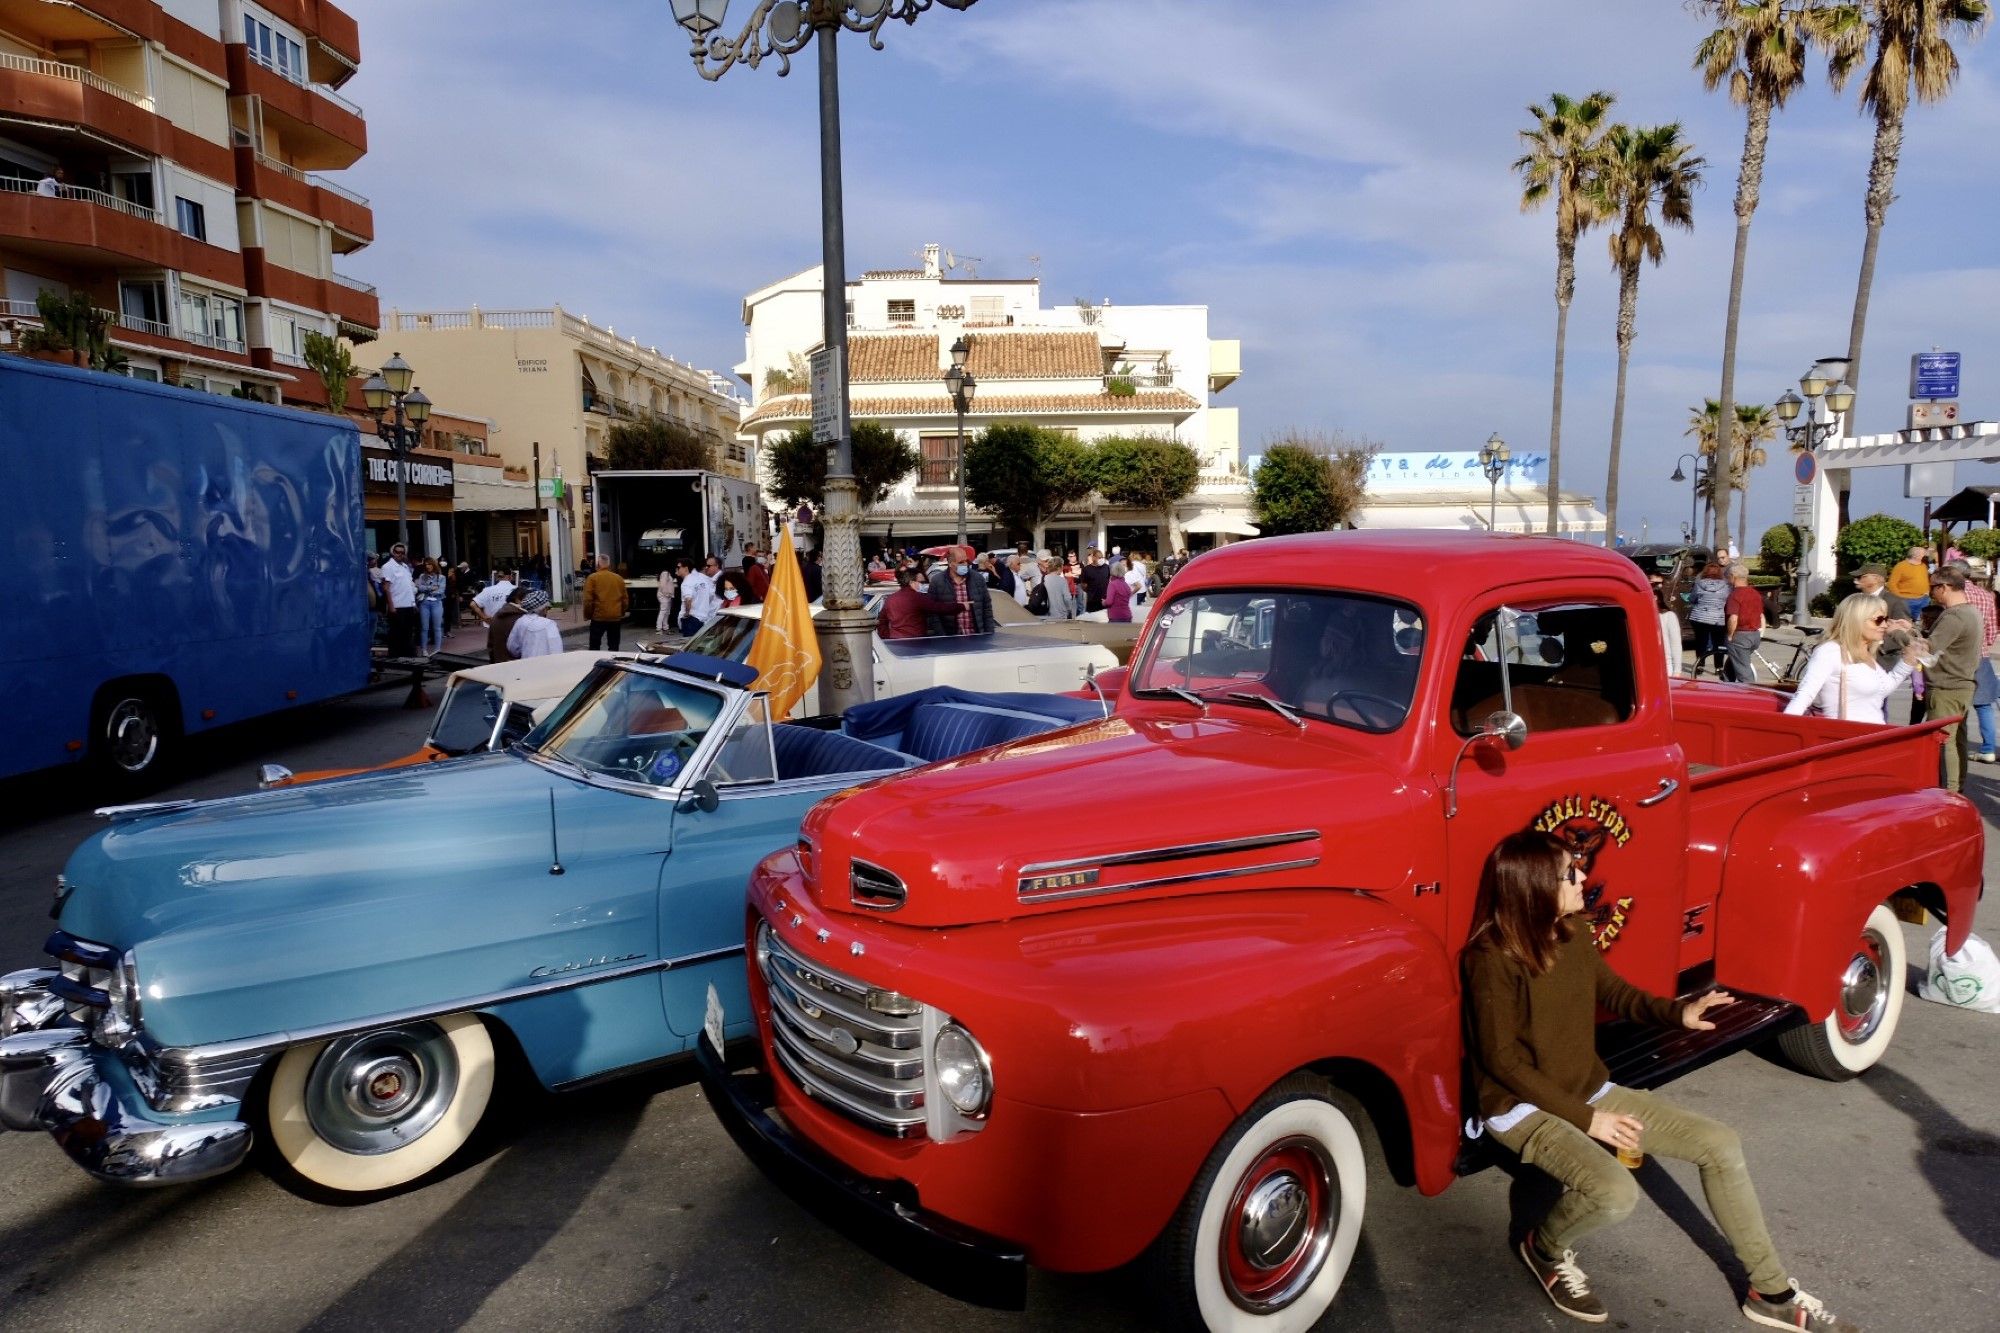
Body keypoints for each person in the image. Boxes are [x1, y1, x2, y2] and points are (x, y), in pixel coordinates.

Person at [1466, 830, 1858, 1331]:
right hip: (1520, 1107)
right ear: (1535, 883)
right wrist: (1592, 1122)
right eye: (1571, 872)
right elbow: (1504, 1064)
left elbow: (1617, 994)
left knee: (1720, 1144)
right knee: (1614, 1194)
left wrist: (1679, 1013)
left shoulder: (1572, 931)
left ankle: (1772, 1292)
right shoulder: (1491, 958)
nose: (1583, 877)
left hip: (1586, 1090)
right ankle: (1543, 1248)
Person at [1782, 593, 1919, 724]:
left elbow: (1882, 689)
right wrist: (1784, 734)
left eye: (1885, 619)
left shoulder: (1866, 652)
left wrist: (1907, 661)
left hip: (1873, 736)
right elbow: (1805, 695)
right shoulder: (1831, 651)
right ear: (1857, 620)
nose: (1884, 625)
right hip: (1847, 738)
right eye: (1878, 620)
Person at [1924, 567, 1981, 794]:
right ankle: (1957, 788)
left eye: (1933, 588)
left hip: (1946, 686)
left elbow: (1926, 651)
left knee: (1943, 742)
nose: (1931, 594)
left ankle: (1949, 791)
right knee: (1957, 742)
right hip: (1962, 685)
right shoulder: (1971, 612)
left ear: (1944, 587)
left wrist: (1900, 633)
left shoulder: (1954, 616)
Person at [1942, 561, 1999, 763]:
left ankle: (1951, 745)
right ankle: (1988, 748)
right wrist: (1984, 644)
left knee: (1954, 703)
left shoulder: (1951, 594)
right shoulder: (1986, 595)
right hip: (1980, 654)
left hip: (1956, 656)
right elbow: (1992, 629)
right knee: (1984, 705)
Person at [926, 545, 994, 636]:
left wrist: (988, 634)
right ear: (950, 564)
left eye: (966, 561)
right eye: (961, 562)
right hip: (951, 640)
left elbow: (987, 608)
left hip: (977, 638)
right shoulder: (937, 582)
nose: (965, 564)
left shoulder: (978, 579)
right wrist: (942, 636)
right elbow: (932, 612)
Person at [876, 567, 960, 640]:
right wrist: (962, 606)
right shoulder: (917, 598)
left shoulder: (890, 599)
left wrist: (887, 636)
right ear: (911, 582)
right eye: (921, 582)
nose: (924, 585)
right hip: (916, 642)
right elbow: (938, 608)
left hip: (895, 642)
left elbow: (881, 620)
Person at [1687, 562, 1731, 677]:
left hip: (1699, 617)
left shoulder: (1699, 583)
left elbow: (1692, 599)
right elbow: (1728, 600)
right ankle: (1719, 667)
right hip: (1718, 618)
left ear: (1705, 572)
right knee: (1719, 643)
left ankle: (1700, 665)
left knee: (1701, 642)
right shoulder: (1726, 585)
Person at [1723, 566, 1763, 684]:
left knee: (1744, 672)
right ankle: (1727, 685)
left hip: (1741, 636)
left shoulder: (1735, 595)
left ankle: (1749, 694)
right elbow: (1760, 615)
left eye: (1728, 577)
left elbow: (1733, 618)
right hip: (1754, 635)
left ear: (1733, 577)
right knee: (1734, 662)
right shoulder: (1755, 594)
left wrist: (1730, 635)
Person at [582, 555, 628, 651]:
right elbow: (625, 600)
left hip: (598, 617)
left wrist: (588, 615)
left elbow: (588, 600)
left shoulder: (592, 578)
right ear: (609, 565)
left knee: (594, 645)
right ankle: (613, 663)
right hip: (615, 617)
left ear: (597, 564)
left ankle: (595, 662)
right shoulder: (618, 578)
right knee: (614, 645)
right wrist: (621, 612)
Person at [380, 542, 419, 658]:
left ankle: (407, 655)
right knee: (396, 632)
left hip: (408, 604)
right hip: (397, 605)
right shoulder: (388, 567)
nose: (400, 555)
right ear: (393, 553)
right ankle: (394, 656)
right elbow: (386, 588)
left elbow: (409, 586)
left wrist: (414, 603)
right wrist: (391, 606)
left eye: (402, 553)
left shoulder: (405, 567)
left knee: (408, 632)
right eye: (397, 552)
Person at [1850, 563, 1911, 629]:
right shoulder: (1856, 600)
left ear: (1875, 579)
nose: (1855, 581)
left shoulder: (1896, 602)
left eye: (1860, 577)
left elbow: (1905, 631)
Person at [507, 589, 563, 658]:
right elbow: (556, 649)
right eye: (548, 608)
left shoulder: (520, 621)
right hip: (546, 665)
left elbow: (512, 647)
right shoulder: (549, 624)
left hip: (525, 665)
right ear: (543, 608)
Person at [486, 584, 528, 663]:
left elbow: (490, 645)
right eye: (527, 600)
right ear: (518, 599)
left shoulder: (497, 615)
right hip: (516, 666)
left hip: (498, 663)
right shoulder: (521, 618)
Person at [679, 556, 719, 636]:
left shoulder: (690, 579)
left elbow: (688, 599)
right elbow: (711, 598)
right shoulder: (707, 581)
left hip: (692, 618)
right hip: (704, 618)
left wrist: (687, 614)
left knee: (689, 644)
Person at [415, 556, 447, 656]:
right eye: (426, 564)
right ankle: (424, 649)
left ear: (434, 565)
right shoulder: (422, 576)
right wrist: (431, 588)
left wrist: (428, 589)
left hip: (436, 602)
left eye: (429, 564)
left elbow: (441, 590)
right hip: (424, 603)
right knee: (424, 627)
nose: (428, 566)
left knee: (437, 627)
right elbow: (419, 588)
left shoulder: (441, 577)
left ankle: (438, 649)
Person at [1889, 546, 1932, 618]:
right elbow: (1892, 584)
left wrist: (1928, 591)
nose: (1925, 555)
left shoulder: (1923, 566)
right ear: (1915, 555)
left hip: (1924, 599)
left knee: (1921, 623)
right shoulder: (1901, 566)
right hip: (1907, 601)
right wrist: (1900, 598)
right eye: (1923, 554)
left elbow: (1925, 580)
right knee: (1906, 622)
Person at [1655, 584, 1684, 679]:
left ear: (1657, 598)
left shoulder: (1668, 616)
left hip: (1666, 667)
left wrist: (1677, 671)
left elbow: (1676, 644)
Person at [1079, 548, 1112, 614]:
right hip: (1092, 601)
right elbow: (1083, 585)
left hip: (1104, 600)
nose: (1101, 559)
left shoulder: (1107, 567)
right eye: (1099, 557)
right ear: (1093, 558)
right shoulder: (1087, 569)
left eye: (1102, 557)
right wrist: (1091, 591)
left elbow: (1110, 580)